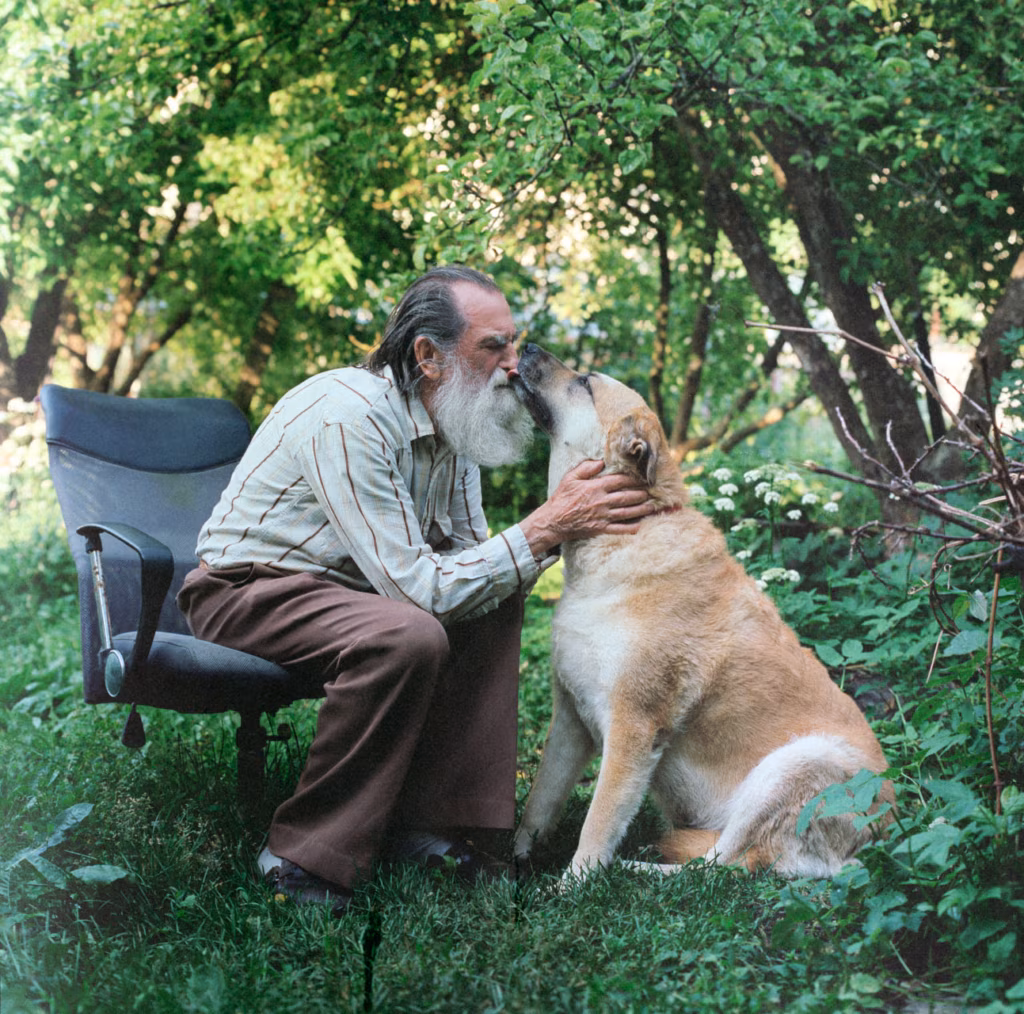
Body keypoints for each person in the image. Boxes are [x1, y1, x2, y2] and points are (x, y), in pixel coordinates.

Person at [177, 265, 654, 913]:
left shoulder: (455, 424)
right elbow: (419, 595)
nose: (515, 366)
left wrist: (553, 536)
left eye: (514, 343)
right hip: (248, 592)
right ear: (428, 356)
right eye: (494, 347)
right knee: (408, 632)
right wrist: (546, 527)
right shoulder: (346, 417)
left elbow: (469, 559)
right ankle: (300, 856)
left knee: (497, 593)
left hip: (355, 595)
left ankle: (438, 824)